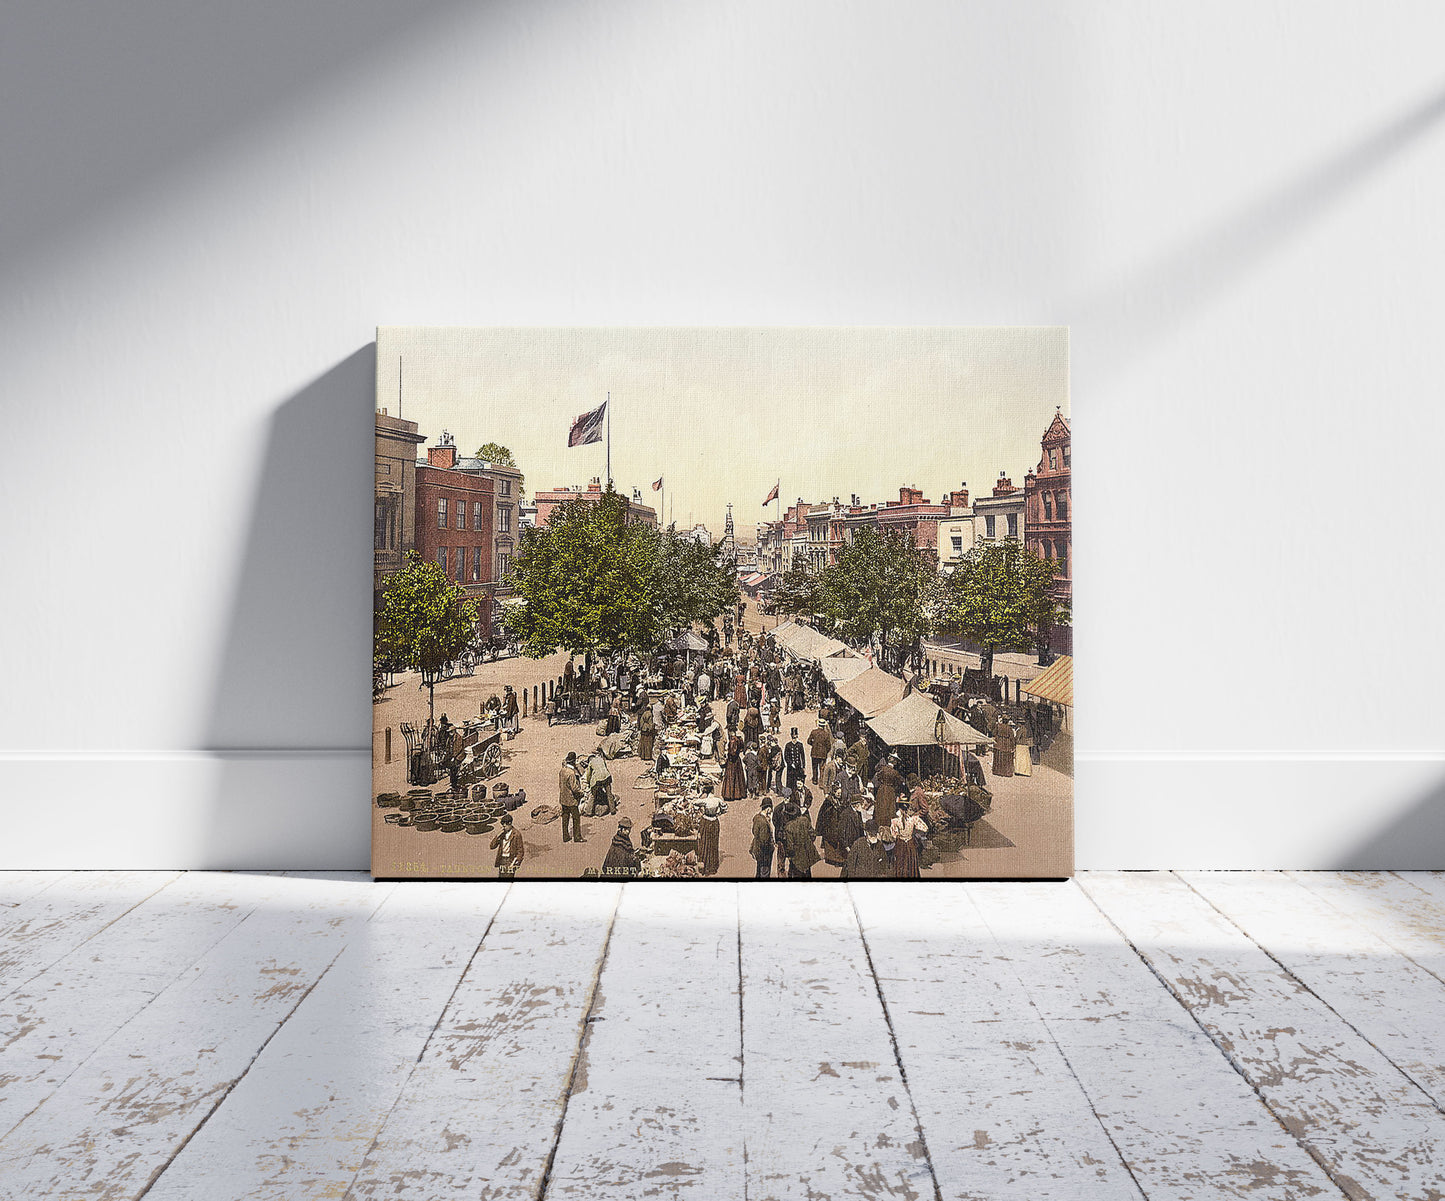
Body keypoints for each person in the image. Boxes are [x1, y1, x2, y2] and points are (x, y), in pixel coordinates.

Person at [784, 801, 821, 878]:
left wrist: (789, 856)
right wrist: (807, 843)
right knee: (807, 874)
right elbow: (813, 835)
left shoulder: (788, 827)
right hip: (807, 854)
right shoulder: (804, 820)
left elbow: (790, 846)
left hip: (796, 857)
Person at [890, 799, 926, 879]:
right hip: (910, 843)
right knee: (910, 862)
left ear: (900, 809)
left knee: (901, 863)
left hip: (900, 844)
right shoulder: (914, 819)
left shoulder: (895, 821)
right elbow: (925, 828)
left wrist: (900, 834)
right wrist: (913, 831)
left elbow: (893, 835)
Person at [872, 753, 906, 829]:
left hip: (881, 790)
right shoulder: (895, 773)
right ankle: (887, 827)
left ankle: (879, 826)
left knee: (881, 807)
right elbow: (900, 782)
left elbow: (876, 779)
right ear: (895, 762)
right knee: (889, 809)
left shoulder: (882, 769)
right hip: (890, 791)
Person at [558, 751, 584, 843]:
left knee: (565, 818)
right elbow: (574, 788)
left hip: (563, 798)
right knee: (576, 818)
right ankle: (577, 837)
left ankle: (565, 836)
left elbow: (560, 784)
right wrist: (581, 792)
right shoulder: (571, 773)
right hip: (571, 800)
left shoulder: (562, 771)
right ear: (573, 761)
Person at [585, 746, 614, 815]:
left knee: (593, 795)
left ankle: (589, 811)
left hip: (598, 780)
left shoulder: (591, 763)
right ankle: (613, 809)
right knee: (609, 793)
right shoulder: (601, 759)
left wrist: (589, 782)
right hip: (607, 776)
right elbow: (605, 767)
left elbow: (588, 774)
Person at [750, 798, 775, 879]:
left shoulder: (757, 817)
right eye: (771, 809)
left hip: (757, 849)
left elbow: (754, 831)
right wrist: (771, 847)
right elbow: (764, 841)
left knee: (758, 871)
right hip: (765, 852)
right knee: (765, 873)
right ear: (768, 808)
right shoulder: (764, 823)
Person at [698, 797, 722, 876]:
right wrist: (719, 813)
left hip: (705, 822)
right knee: (713, 844)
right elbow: (725, 808)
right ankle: (712, 867)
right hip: (714, 821)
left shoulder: (704, 800)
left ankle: (704, 867)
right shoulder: (718, 800)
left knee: (704, 843)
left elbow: (695, 803)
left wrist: (701, 811)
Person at [721, 733, 747, 802]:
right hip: (736, 761)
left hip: (732, 762)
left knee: (731, 777)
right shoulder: (738, 739)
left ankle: (730, 795)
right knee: (738, 777)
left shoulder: (733, 741)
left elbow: (733, 753)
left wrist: (728, 755)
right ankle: (738, 794)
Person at [807, 719, 833, 784]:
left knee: (814, 767)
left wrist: (814, 745)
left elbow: (809, 741)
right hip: (823, 754)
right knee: (822, 768)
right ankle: (821, 782)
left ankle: (815, 780)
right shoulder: (826, 734)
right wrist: (825, 751)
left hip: (814, 753)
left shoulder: (813, 732)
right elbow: (829, 746)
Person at [783, 728, 806, 797]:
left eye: (796, 737)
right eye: (793, 737)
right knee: (790, 782)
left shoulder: (800, 745)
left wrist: (803, 766)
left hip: (798, 767)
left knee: (798, 781)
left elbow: (802, 756)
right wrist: (790, 763)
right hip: (791, 768)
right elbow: (786, 756)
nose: (794, 739)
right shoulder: (788, 745)